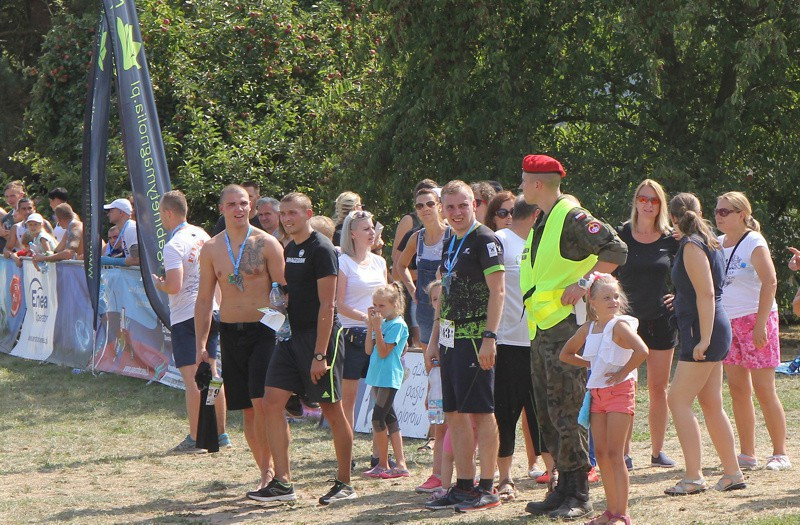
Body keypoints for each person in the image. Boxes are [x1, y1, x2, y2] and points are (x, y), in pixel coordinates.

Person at [519, 155, 627, 520]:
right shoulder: (545, 218)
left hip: (566, 327)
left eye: (524, 180)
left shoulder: (572, 216)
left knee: (567, 410)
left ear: (537, 183)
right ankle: (563, 487)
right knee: (549, 412)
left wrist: (584, 284)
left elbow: (616, 249)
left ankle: (579, 493)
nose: (520, 187)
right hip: (543, 328)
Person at [261, 192, 356, 505]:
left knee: (332, 409)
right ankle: (282, 483)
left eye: (293, 213)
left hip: (321, 338)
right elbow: (294, 293)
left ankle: (345, 482)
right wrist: (280, 302)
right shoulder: (290, 248)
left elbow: (327, 305)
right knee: (271, 401)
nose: (287, 219)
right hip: (292, 336)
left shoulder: (322, 248)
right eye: (283, 214)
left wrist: (320, 354)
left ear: (308, 213)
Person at [194, 185, 286, 495]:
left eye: (244, 203)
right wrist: (202, 344)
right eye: (232, 203)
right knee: (248, 409)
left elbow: (285, 294)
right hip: (231, 332)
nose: (239, 208)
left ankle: (277, 472)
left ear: (253, 206)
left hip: (265, 331)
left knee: (264, 404)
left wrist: (285, 332)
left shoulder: (268, 243)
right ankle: (265, 470)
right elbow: (205, 299)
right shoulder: (211, 248)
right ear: (221, 208)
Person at [424, 180, 504, 513]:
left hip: (475, 340)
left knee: (482, 413)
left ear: (476, 204)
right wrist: (432, 340)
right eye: (450, 206)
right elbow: (444, 294)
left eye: (463, 206)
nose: (456, 213)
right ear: (442, 208)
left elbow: (498, 292)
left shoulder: (485, 239)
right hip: (450, 339)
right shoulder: (449, 241)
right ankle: (464, 484)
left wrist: (490, 337)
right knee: (454, 413)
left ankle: (488, 486)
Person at [663, 192, 744, 495]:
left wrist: (704, 339)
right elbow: (698, 290)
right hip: (708, 327)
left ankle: (693, 477)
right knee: (711, 404)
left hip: (705, 331)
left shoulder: (692, 245)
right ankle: (732, 473)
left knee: (677, 400)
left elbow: (707, 294)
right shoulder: (705, 241)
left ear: (673, 218)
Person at [560, 273, 648, 525]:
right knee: (600, 453)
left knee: (615, 453)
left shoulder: (620, 325)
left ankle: (622, 513)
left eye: (616, 296)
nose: (613, 301)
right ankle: (610, 511)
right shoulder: (589, 328)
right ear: (592, 302)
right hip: (597, 394)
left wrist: (621, 372)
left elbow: (642, 351)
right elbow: (566, 354)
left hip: (620, 392)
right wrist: (591, 363)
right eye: (606, 297)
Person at [715, 191, 789, 471]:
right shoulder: (718, 243)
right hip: (728, 323)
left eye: (725, 211)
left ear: (741, 214)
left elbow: (770, 282)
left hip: (756, 320)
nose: (719, 216)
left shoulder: (754, 241)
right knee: (737, 390)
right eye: (717, 211)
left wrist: (760, 325)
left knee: (764, 389)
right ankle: (747, 453)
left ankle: (780, 452)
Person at [152, 191, 229, 453]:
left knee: (193, 379)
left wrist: (160, 285)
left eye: (161, 214)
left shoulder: (173, 245)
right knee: (213, 375)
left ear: (168, 213)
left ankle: (196, 438)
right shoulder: (203, 235)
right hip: (213, 309)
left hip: (187, 315)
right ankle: (221, 435)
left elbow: (175, 285)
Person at [615, 179, 679, 469]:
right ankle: (624, 452)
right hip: (626, 322)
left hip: (661, 321)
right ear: (636, 201)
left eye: (654, 200)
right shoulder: (620, 235)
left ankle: (657, 451)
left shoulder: (671, 238)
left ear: (661, 205)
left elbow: (691, 270)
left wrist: (680, 296)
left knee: (658, 387)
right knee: (627, 386)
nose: (648, 204)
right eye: (643, 198)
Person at [492, 195, 551, 501]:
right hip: (507, 342)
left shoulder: (541, 242)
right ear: (536, 213)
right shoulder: (499, 240)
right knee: (506, 411)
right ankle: (503, 479)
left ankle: (554, 474)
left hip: (538, 340)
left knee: (542, 410)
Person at [397, 186, 451, 493]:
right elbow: (399, 265)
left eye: (430, 203)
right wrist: (413, 291)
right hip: (428, 311)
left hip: (449, 313)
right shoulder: (416, 238)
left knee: (446, 377)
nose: (425, 208)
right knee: (434, 379)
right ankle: (435, 436)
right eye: (420, 205)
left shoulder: (451, 235)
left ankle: (446, 446)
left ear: (440, 206)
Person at [336, 209, 388, 459]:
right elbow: (340, 304)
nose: (372, 232)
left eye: (372, 228)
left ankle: (379, 453)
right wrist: (365, 318)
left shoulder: (380, 262)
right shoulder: (343, 262)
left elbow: (388, 299)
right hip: (352, 334)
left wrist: (385, 324)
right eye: (366, 229)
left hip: (378, 334)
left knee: (381, 394)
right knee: (349, 398)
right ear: (353, 233)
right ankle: (346, 451)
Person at [363, 283, 410, 479]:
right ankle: (401, 464)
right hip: (377, 375)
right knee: (390, 419)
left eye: (381, 306)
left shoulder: (398, 324)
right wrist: (370, 326)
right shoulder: (380, 324)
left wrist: (377, 328)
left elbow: (383, 352)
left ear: (394, 305)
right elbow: (368, 350)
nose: (377, 309)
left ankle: (383, 463)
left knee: (377, 419)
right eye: (375, 304)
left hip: (389, 377)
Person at [103, 198, 139, 266]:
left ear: (121, 213)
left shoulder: (130, 229)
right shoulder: (126, 229)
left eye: (111, 211)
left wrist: (113, 261)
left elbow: (137, 259)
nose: (108, 214)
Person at [0, 180, 25, 252]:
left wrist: (6, 235)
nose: (9, 200)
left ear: (21, 195)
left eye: (12, 196)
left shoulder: (28, 216)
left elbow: (25, 245)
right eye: (6, 197)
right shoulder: (7, 217)